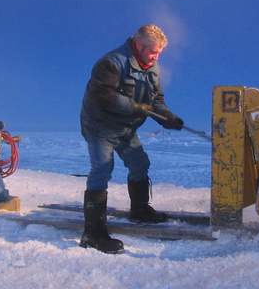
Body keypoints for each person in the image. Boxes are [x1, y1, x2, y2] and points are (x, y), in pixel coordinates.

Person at [79, 25, 184, 254]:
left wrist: (168, 117)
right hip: (100, 126)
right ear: (139, 45)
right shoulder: (111, 62)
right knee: (102, 170)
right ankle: (92, 233)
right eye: (153, 52)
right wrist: (136, 107)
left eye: (159, 54)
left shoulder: (152, 68)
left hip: (125, 128)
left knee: (140, 164)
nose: (156, 58)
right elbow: (102, 95)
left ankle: (139, 210)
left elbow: (156, 100)